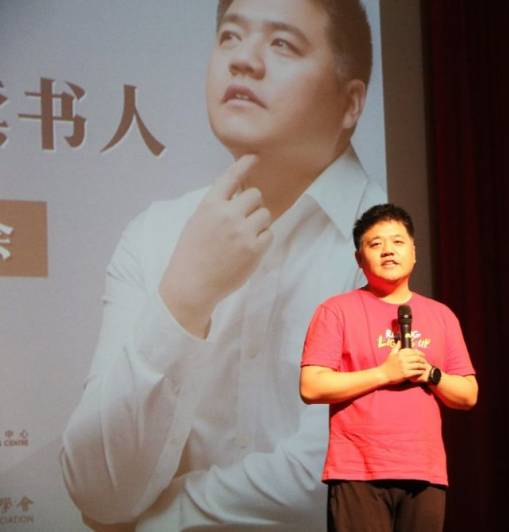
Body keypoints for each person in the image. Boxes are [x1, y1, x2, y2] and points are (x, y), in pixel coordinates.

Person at [59, 1, 383, 530]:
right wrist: (185, 298)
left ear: (350, 104)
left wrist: (154, 522)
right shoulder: (155, 234)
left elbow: (338, 479)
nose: (243, 60)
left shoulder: (390, 243)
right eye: (230, 36)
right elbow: (97, 491)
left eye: (282, 44)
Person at [300, 204, 479, 531]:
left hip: (425, 471)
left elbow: (468, 394)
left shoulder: (441, 315)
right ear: (359, 259)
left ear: (414, 252)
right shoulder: (336, 311)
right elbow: (311, 386)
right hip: (358, 470)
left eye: (397, 241)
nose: (388, 250)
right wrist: (385, 373)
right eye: (375, 243)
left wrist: (430, 373)